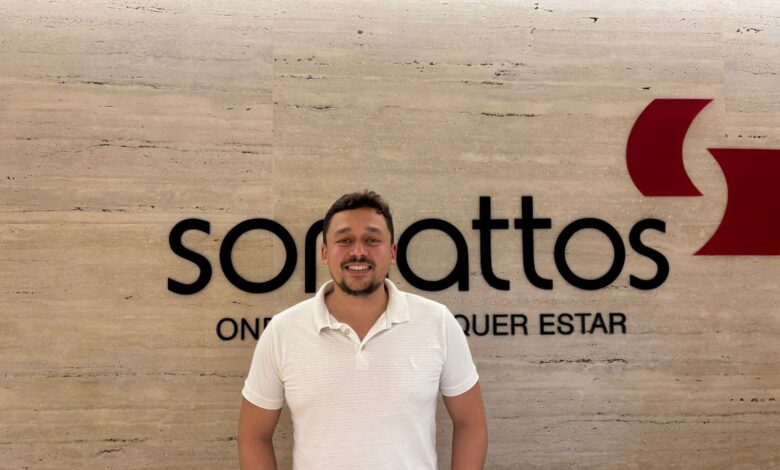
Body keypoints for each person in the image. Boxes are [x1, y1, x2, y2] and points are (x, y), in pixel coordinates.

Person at [238, 190, 487, 470]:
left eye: (372, 240)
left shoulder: (437, 322)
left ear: (392, 253)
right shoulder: (282, 332)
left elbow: (470, 423)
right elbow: (254, 437)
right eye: (344, 240)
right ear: (324, 253)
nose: (358, 251)